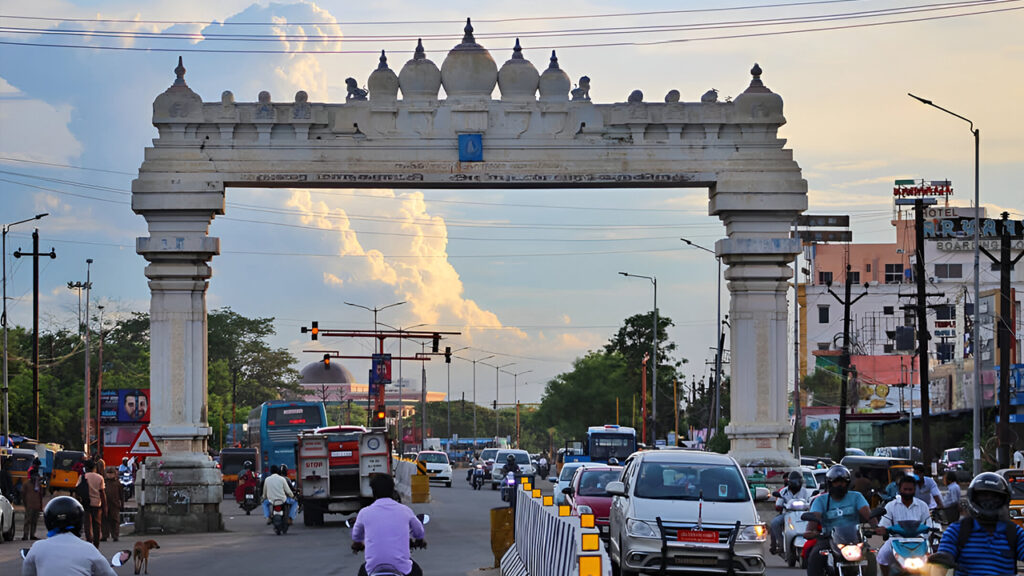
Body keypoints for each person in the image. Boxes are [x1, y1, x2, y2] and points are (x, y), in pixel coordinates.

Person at [932, 472, 1024, 575]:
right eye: (983, 496)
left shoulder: (1014, 533)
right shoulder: (956, 531)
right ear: (973, 498)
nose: (989, 501)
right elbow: (939, 567)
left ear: (1004, 500)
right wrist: (942, 560)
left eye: (994, 497)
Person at [806, 465, 877, 576]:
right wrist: (810, 530)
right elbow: (814, 518)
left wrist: (876, 527)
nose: (840, 485)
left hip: (855, 538)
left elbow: (868, 515)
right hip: (829, 539)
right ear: (830, 483)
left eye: (843, 482)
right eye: (836, 482)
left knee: (870, 555)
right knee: (816, 555)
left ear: (848, 483)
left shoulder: (856, 497)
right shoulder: (820, 500)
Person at [20, 495, 117, 576]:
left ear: (48, 521)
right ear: (79, 521)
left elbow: (27, 573)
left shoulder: (38, 547)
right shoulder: (88, 549)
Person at [351, 473, 426, 576]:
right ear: (393, 490)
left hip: (372, 569)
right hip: (402, 568)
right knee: (417, 571)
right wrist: (419, 540)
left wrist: (358, 543)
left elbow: (356, 535)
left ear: (373, 492)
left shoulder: (364, 513)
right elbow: (419, 532)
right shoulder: (405, 511)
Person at [876, 473, 933, 576]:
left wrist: (927, 533)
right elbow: (884, 523)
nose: (907, 492)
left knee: (932, 559)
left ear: (914, 490)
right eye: (905, 489)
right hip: (896, 541)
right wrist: (882, 529)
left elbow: (929, 524)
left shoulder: (923, 506)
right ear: (900, 489)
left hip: (919, 541)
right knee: (882, 556)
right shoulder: (891, 506)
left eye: (910, 489)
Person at [770, 471, 810, 555]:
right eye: (794, 482)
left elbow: (809, 502)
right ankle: (781, 544)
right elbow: (778, 505)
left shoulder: (805, 492)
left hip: (802, 514)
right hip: (787, 514)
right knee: (774, 523)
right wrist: (781, 505)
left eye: (797, 481)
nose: (796, 484)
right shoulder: (784, 491)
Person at [80, 460, 106, 547]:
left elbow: (77, 490)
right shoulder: (100, 478)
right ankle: (96, 545)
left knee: (87, 525)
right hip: (97, 504)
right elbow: (102, 493)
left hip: (86, 504)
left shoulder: (82, 477)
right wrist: (105, 506)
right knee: (97, 526)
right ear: (94, 468)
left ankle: (89, 543)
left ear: (86, 468)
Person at [22, 457, 45, 540]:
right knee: (28, 521)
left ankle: (31, 535)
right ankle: (25, 535)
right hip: (30, 505)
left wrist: (40, 506)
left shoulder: (38, 484)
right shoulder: (27, 484)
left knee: (34, 521)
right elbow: (23, 494)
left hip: (35, 505)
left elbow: (41, 495)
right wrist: (25, 504)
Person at [101, 466, 122, 542]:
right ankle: (104, 535)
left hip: (115, 504)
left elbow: (121, 495)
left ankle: (115, 535)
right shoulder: (103, 482)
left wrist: (122, 504)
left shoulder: (117, 483)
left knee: (115, 520)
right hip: (105, 504)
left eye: (111, 473)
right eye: (108, 473)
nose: (110, 475)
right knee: (104, 520)